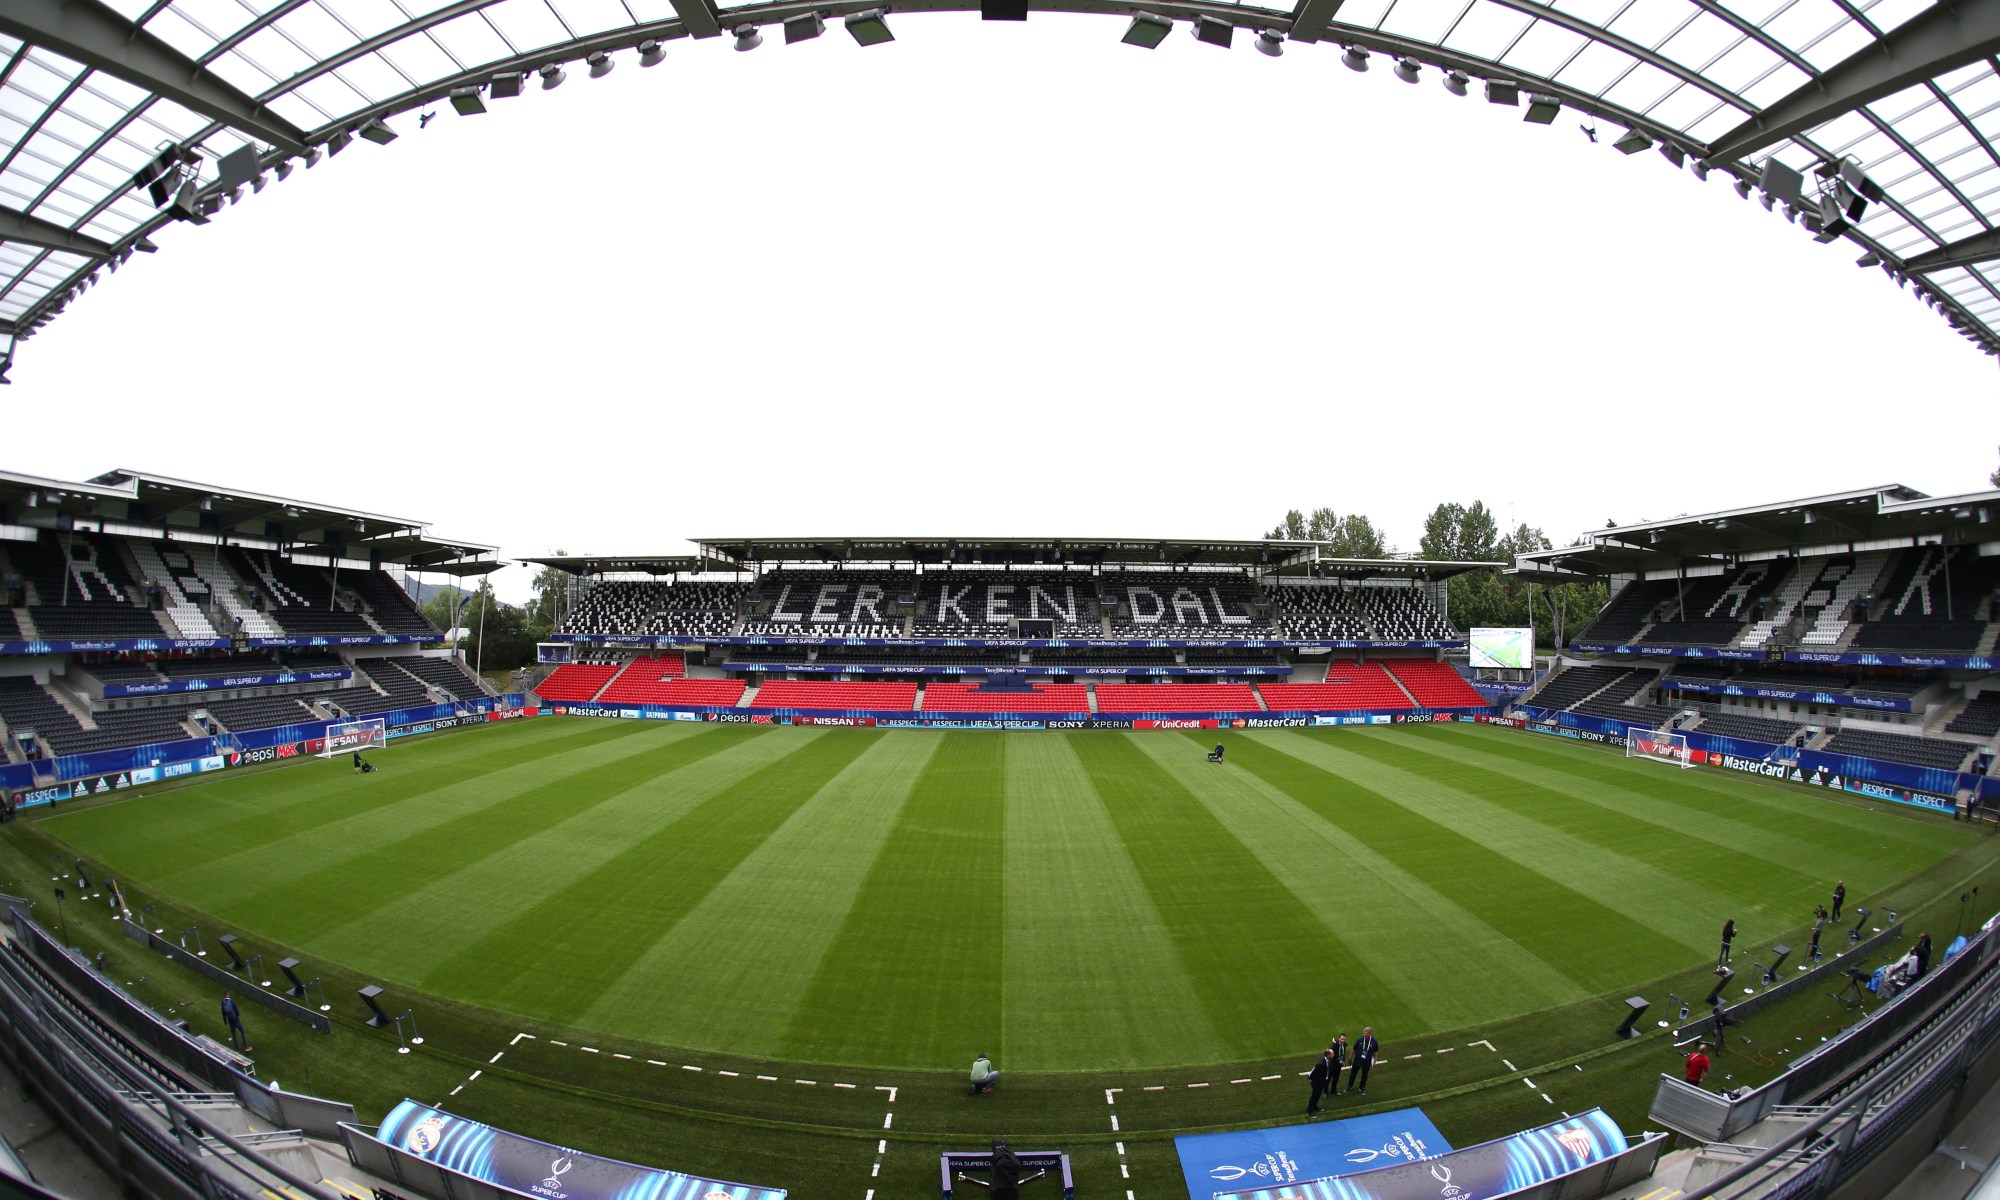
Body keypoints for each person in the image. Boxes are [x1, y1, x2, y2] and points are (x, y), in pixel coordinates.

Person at [1350, 1027, 1380, 1096]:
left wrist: (1375, 1061)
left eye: (1366, 1033)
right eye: (1364, 1033)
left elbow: (1375, 1052)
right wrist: (1350, 1058)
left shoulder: (1374, 1041)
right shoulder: (1359, 1040)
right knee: (1353, 1074)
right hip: (1357, 1060)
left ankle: (1362, 1088)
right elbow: (1354, 1049)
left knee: (1364, 1075)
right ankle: (1349, 1086)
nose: (1364, 1034)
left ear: (1370, 1033)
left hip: (1367, 1062)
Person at [1306, 1046, 1335, 1115]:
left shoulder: (1328, 1061)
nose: (1334, 1055)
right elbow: (1313, 1072)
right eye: (1332, 1054)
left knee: (1318, 1095)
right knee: (1314, 1096)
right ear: (1328, 1055)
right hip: (1317, 1083)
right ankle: (1309, 1111)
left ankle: (1315, 1106)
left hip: (1322, 1081)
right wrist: (1311, 1079)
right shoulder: (1320, 1064)